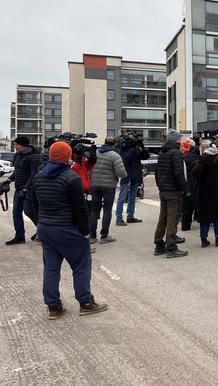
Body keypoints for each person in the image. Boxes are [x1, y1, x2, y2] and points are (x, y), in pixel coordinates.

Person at [31, 141, 108, 319]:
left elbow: (35, 204)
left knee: (51, 268)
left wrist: (40, 223)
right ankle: (85, 302)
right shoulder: (71, 178)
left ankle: (53, 307)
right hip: (67, 228)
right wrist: (85, 231)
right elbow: (80, 208)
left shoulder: (39, 176)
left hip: (46, 227)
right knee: (81, 265)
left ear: (50, 156)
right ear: (68, 156)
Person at [154, 131, 188, 258]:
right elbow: (179, 173)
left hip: (163, 190)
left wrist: (160, 186)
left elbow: (157, 172)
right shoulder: (176, 153)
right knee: (172, 220)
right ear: (177, 141)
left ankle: (159, 244)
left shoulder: (162, 153)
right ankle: (171, 247)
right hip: (174, 191)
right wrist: (185, 188)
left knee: (162, 219)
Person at [5, 136, 44, 245]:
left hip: (30, 190)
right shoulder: (18, 155)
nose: (16, 147)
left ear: (24, 146)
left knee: (29, 211)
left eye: (18, 145)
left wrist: (26, 188)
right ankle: (19, 236)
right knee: (16, 212)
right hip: (18, 189)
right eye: (15, 145)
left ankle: (44, 232)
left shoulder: (35, 156)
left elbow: (34, 175)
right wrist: (9, 179)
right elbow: (17, 171)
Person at [89, 136, 127, 245]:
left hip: (94, 185)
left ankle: (92, 236)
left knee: (94, 210)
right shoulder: (115, 156)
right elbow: (122, 173)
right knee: (107, 210)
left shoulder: (95, 153)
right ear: (114, 144)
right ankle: (104, 236)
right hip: (109, 186)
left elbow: (89, 168)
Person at [192, 143, 218, 247]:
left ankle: (204, 239)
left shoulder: (203, 158)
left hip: (205, 191)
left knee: (205, 216)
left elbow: (195, 172)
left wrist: (201, 180)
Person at [115, 137, 149, 226]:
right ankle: (119, 217)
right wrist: (132, 148)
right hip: (126, 176)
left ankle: (130, 216)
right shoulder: (124, 149)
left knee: (132, 198)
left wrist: (142, 146)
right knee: (122, 198)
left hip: (135, 176)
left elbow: (146, 156)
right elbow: (125, 159)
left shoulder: (136, 149)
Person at [180, 138, 198, 232]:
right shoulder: (194, 158)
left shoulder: (178, 157)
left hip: (179, 184)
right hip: (191, 184)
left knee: (182, 205)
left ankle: (184, 224)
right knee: (189, 206)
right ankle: (186, 225)